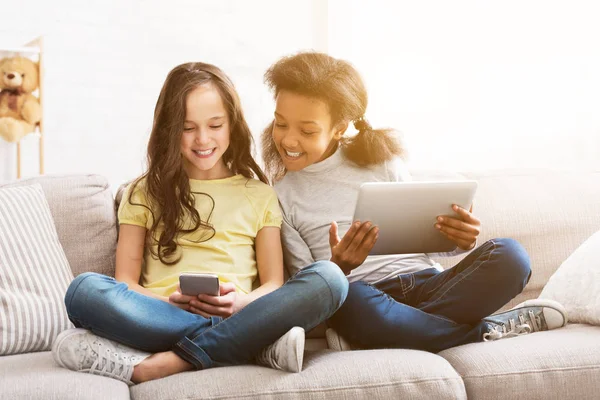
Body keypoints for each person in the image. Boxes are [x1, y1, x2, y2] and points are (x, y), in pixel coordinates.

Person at [51, 62, 348, 384]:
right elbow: (126, 284)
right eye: (187, 127)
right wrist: (170, 301)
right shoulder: (144, 191)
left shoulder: (259, 194)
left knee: (330, 278)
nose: (202, 139)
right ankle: (254, 344)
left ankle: (178, 359)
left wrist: (238, 304)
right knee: (84, 290)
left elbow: (273, 283)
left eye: (215, 125)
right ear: (169, 128)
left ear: (232, 125)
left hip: (241, 311)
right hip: (163, 314)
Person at [261, 52, 567, 352]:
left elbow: (427, 241)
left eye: (307, 130)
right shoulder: (281, 196)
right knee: (351, 305)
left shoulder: (379, 161)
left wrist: (458, 238)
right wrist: (338, 266)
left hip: (429, 283)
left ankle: (398, 333)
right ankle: (485, 330)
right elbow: (307, 290)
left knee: (511, 256)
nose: (288, 140)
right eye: (281, 124)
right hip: (364, 297)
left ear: (339, 128)